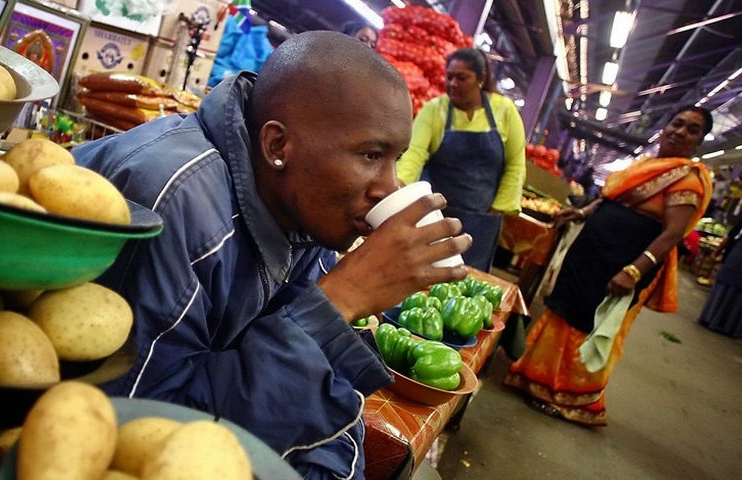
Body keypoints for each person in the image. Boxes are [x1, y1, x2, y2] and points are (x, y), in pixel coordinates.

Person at [74, 31, 471, 478]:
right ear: (277, 145)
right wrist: (339, 300)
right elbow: (138, 429)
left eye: (394, 158)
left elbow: (325, 398)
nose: (389, 187)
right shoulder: (176, 204)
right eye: (370, 154)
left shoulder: (306, 208)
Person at [504, 106, 714, 426]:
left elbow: (672, 234)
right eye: (677, 123)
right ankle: (535, 379)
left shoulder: (688, 179)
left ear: (699, 141)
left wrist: (633, 271)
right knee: (565, 308)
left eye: (692, 129)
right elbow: (610, 200)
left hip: (623, 261)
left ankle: (569, 399)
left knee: (590, 322)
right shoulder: (648, 165)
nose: (680, 131)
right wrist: (580, 213)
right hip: (592, 252)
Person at [396, 48, 526, 272]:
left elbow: (516, 164)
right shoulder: (434, 110)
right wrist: (398, 188)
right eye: (449, 77)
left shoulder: (504, 111)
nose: (453, 83)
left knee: (466, 282)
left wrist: (496, 210)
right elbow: (413, 154)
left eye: (462, 77)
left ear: (481, 79)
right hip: (433, 216)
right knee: (420, 273)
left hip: (481, 222)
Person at [698, 202, 742, 337]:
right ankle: (709, 319)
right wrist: (717, 251)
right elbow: (730, 237)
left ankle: (730, 328)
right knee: (722, 292)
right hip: (734, 264)